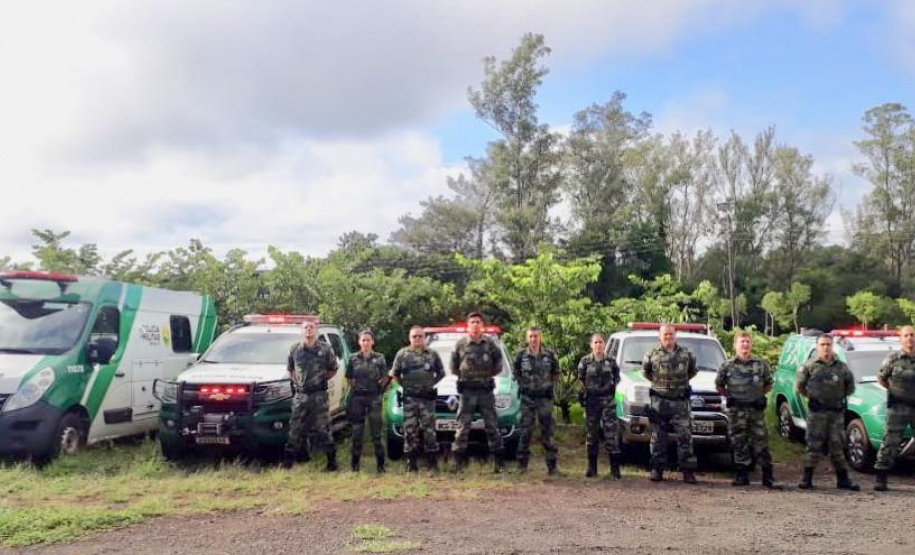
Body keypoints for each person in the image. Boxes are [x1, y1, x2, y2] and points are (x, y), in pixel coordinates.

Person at [716, 332, 780, 488]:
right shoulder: (727, 365)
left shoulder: (760, 364)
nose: (745, 344)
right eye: (741, 342)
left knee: (761, 442)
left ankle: (767, 476)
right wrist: (729, 396)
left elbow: (769, 383)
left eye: (747, 342)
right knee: (739, 443)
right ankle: (741, 475)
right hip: (736, 411)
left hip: (755, 411)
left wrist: (758, 396)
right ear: (735, 345)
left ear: (751, 344)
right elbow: (719, 385)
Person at [795, 334, 859, 490]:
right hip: (816, 413)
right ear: (817, 347)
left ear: (832, 346)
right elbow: (799, 387)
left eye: (828, 344)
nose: (825, 347)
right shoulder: (809, 366)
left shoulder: (842, 367)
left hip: (836, 413)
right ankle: (807, 479)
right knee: (813, 445)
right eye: (822, 344)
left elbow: (850, 388)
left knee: (837, 445)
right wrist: (813, 398)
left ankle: (843, 479)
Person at [642, 324, 699, 484]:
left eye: (671, 334)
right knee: (659, 437)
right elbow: (646, 373)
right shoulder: (651, 354)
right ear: (660, 336)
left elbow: (692, 372)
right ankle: (657, 470)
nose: (668, 337)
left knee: (685, 437)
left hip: (680, 403)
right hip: (660, 403)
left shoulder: (687, 354)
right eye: (665, 335)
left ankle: (688, 471)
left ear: (676, 335)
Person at [451, 312, 505, 473]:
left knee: (492, 426)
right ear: (468, 325)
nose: (475, 324)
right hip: (467, 392)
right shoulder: (461, 344)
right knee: (462, 427)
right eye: (472, 322)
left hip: (485, 391)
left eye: (478, 322)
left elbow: (498, 366)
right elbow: (454, 367)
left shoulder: (490, 344)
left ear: (482, 325)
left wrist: (484, 378)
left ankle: (499, 463)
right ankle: (458, 463)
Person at [283, 319, 338, 471]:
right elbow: (290, 369)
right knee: (295, 429)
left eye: (311, 327)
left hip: (319, 395)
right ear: (302, 331)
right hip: (301, 396)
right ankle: (288, 463)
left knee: (323, 429)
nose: (309, 330)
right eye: (306, 327)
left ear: (316, 330)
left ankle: (332, 463)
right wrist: (297, 382)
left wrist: (320, 380)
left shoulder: (325, 349)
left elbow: (333, 369)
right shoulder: (295, 349)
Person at [390, 325, 446, 472]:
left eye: (420, 336)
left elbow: (441, 373)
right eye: (414, 336)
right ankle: (411, 464)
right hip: (410, 399)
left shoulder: (432, 354)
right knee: (410, 431)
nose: (417, 339)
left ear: (424, 338)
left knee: (430, 431)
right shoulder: (402, 354)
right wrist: (405, 387)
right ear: (410, 338)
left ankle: (432, 463)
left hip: (427, 400)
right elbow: (395, 374)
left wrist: (430, 384)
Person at [512, 327, 560, 474]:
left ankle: (552, 466)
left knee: (548, 432)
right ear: (527, 338)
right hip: (528, 399)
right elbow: (516, 373)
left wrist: (548, 387)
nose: (533, 339)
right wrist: (524, 386)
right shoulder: (521, 356)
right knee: (525, 431)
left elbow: (556, 374)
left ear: (541, 338)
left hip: (544, 399)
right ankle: (521, 466)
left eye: (536, 336)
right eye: (531, 336)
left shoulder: (550, 355)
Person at [874, 325, 915, 491]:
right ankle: (881, 477)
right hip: (898, 407)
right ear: (901, 338)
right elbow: (882, 379)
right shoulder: (893, 358)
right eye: (906, 335)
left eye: (912, 335)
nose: (910, 338)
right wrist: (897, 393)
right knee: (890, 442)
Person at [577, 333, 622, 479]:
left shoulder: (611, 362)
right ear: (591, 345)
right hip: (592, 403)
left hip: (608, 402)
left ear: (604, 344)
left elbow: (617, 378)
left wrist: (609, 389)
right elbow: (581, 379)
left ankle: (615, 470)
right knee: (592, 435)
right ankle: (592, 468)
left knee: (611, 435)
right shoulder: (585, 362)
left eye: (601, 342)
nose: (598, 345)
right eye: (595, 342)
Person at [345, 330, 389, 473]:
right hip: (357, 398)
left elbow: (385, 377)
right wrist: (357, 388)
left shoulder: (380, 358)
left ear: (372, 342)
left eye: (368, 340)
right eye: (363, 340)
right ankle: (355, 465)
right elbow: (349, 377)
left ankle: (381, 465)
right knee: (357, 432)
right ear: (359, 342)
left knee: (376, 433)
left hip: (374, 398)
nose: (365, 343)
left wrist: (378, 390)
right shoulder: (353, 358)